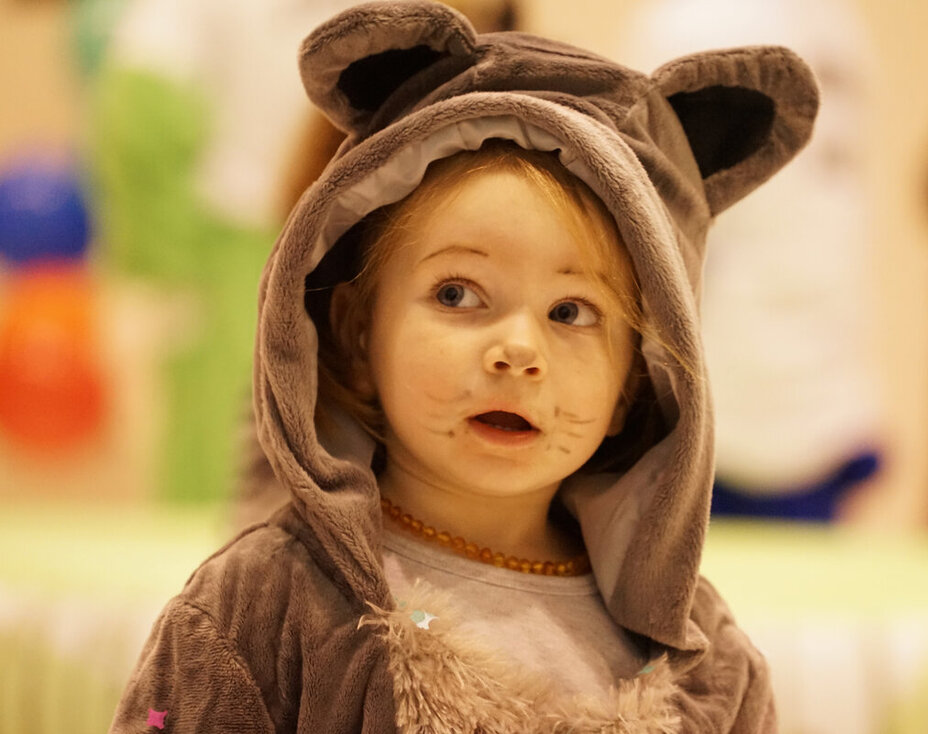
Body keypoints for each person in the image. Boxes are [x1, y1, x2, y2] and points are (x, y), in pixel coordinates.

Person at [109, 2, 818, 731]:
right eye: (457, 294)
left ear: (636, 379)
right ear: (356, 332)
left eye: (572, 311)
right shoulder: (261, 609)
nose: (519, 350)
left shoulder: (705, 666)